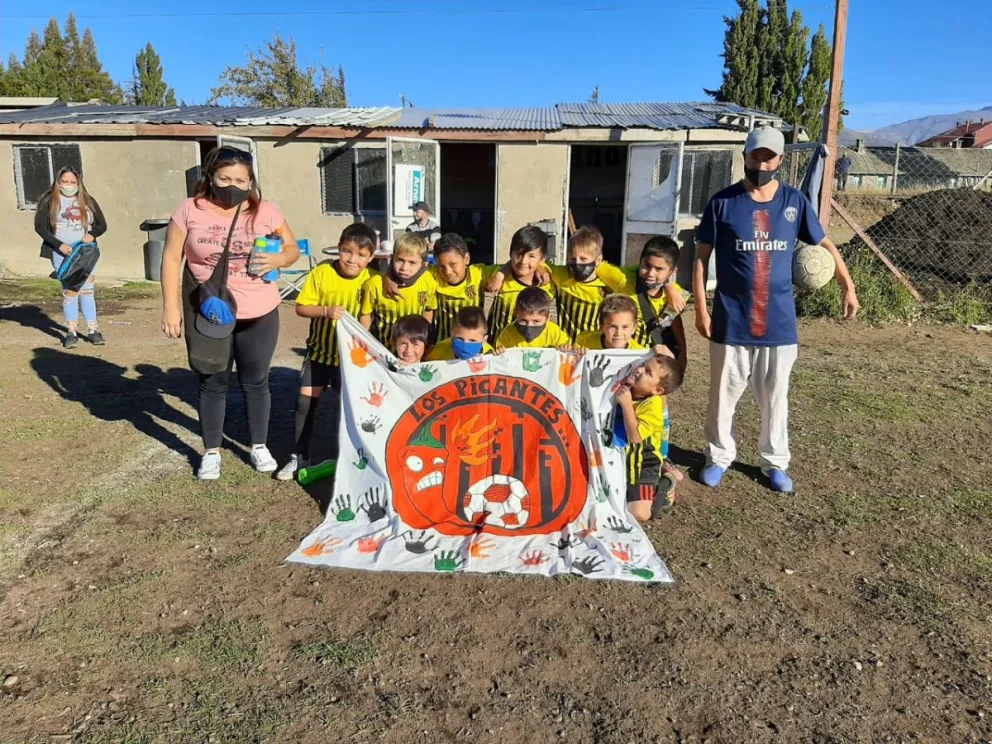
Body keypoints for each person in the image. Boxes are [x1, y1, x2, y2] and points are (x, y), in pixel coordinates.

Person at [693, 126, 859, 493]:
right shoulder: (722, 203)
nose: (761, 163)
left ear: (780, 160)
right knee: (722, 396)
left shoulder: (794, 201)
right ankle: (718, 457)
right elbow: (701, 260)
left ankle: (774, 463)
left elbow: (825, 245)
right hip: (730, 320)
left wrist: (848, 285)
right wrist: (701, 311)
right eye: (755, 156)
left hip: (779, 323)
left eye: (768, 157)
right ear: (745, 157)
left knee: (776, 399)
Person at [161, 146, 300, 481]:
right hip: (210, 311)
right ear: (210, 176)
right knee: (213, 381)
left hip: (260, 310)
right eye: (225, 178)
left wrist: (279, 259)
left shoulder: (265, 211)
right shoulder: (189, 210)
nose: (232, 185)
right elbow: (169, 258)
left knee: (256, 381)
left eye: (240, 179)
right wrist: (171, 308)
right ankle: (211, 452)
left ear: (251, 181)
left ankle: (258, 445)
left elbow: (293, 248)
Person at [277, 223, 378, 481]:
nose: (352, 259)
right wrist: (325, 310)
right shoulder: (322, 273)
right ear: (339, 249)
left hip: (353, 360)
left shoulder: (373, 280)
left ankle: (353, 459)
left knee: (352, 409)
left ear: (371, 258)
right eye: (347, 251)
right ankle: (299, 457)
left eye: (360, 255)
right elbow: (300, 307)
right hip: (321, 354)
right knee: (305, 404)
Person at [34, 166, 108, 348]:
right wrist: (59, 245)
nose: (68, 185)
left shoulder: (88, 201)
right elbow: (40, 227)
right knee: (70, 291)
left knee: (88, 290)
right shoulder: (49, 200)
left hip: (86, 253)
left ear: (78, 183)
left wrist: (92, 235)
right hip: (62, 254)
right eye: (64, 182)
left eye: (72, 182)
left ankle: (93, 330)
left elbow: (102, 225)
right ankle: (71, 332)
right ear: (58, 182)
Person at [597, 236, 688, 370]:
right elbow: (592, 264)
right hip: (622, 360)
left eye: (659, 269)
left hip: (651, 364)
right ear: (640, 262)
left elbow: (674, 321)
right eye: (646, 265)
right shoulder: (624, 279)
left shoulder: (676, 296)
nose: (650, 273)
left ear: (672, 272)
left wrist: (683, 353)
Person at [615, 354, 684, 521]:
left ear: (657, 390)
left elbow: (636, 437)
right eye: (643, 365)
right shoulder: (624, 383)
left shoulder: (652, 405)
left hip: (643, 464)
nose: (638, 370)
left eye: (647, 371)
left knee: (638, 514)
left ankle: (666, 483)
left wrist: (626, 405)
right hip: (621, 458)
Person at [544, 226, 627, 341]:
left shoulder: (606, 286)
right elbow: (541, 263)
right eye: (572, 259)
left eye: (583, 259)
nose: (577, 264)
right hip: (567, 346)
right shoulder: (563, 276)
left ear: (598, 260)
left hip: (594, 348)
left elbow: (627, 279)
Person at [360, 232, 437, 346]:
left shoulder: (428, 281)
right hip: (383, 349)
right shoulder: (375, 284)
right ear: (392, 257)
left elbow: (428, 310)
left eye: (412, 263)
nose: (404, 268)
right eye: (400, 260)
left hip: (413, 353)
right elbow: (366, 315)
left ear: (424, 264)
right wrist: (364, 342)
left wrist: (425, 341)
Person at [485, 225, 556, 340]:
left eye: (531, 256)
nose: (523, 261)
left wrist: (540, 267)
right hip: (499, 349)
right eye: (519, 254)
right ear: (510, 254)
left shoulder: (551, 279)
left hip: (536, 351)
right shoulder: (497, 276)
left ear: (542, 259)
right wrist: (501, 273)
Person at [495, 286, 570, 350]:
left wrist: (564, 347)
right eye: (523, 320)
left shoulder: (554, 332)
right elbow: (500, 355)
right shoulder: (508, 334)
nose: (529, 326)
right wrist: (499, 351)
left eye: (536, 321)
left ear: (548, 317)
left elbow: (566, 347)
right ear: (515, 313)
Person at [575, 295, 645, 351]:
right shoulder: (584, 342)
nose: (618, 333)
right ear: (601, 327)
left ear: (634, 328)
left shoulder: (640, 353)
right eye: (612, 327)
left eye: (625, 327)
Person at [427, 306, 494, 361]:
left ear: (484, 340)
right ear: (451, 332)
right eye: (460, 339)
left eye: (472, 340)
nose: (465, 346)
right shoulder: (437, 353)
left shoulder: (490, 355)